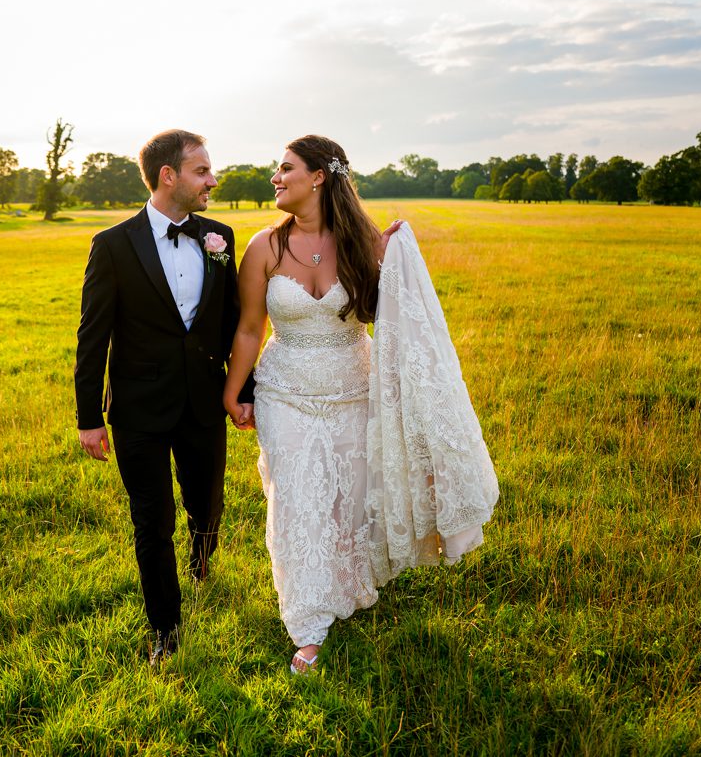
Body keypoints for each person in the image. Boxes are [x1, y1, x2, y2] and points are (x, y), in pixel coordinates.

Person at [223, 135, 499, 674]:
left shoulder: (365, 242)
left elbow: (391, 315)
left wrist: (395, 255)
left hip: (355, 388)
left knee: (349, 500)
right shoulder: (264, 247)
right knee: (299, 499)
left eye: (285, 169)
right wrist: (235, 390)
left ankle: (348, 585)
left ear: (319, 177)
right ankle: (308, 622)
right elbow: (250, 328)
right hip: (285, 394)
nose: (275, 179)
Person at [75, 129, 251, 666]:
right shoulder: (113, 244)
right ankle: (166, 631)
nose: (213, 180)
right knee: (152, 520)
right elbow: (93, 334)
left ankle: (202, 556)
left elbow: (229, 326)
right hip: (138, 410)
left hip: (203, 403)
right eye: (202, 171)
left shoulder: (220, 236)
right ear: (168, 176)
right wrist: (89, 418)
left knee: (207, 506)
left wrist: (240, 391)